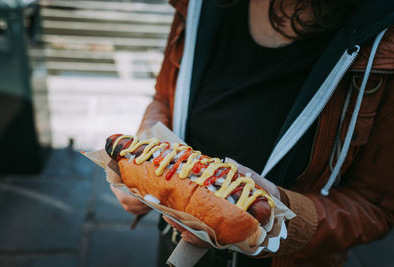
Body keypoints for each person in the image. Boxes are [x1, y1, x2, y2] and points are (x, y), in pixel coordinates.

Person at [111, 0, 394, 266]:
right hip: (173, 240)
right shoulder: (196, 4)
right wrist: (147, 154)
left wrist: (281, 214)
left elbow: (375, 207)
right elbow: (164, 97)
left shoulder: (383, 36)